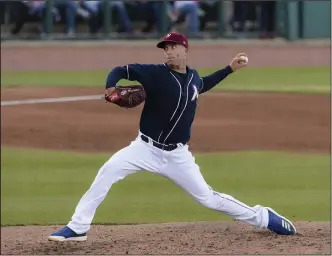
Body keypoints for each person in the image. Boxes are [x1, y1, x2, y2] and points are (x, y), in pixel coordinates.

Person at [48, 32, 296, 242]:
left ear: (183, 49)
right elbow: (121, 70)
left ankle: (263, 216)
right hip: (144, 149)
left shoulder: (192, 78)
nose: (167, 51)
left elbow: (204, 83)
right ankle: (78, 227)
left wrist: (230, 69)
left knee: (209, 199)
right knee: (108, 171)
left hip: (178, 156)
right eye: (164, 48)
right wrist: (111, 87)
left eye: (172, 47)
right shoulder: (155, 73)